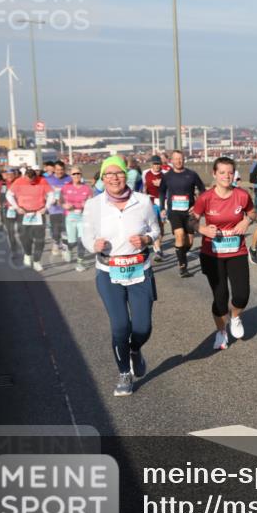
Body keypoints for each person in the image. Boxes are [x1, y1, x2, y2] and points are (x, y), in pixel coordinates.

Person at [81, 156, 160, 396]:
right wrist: (93, 244)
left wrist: (147, 239)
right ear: (102, 178)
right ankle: (124, 373)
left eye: (119, 173)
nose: (114, 178)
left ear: (127, 176)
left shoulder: (144, 201)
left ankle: (134, 349)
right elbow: (86, 235)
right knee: (119, 326)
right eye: (109, 174)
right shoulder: (94, 205)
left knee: (143, 327)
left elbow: (155, 229)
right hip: (109, 272)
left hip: (139, 270)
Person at [192, 157, 256, 351]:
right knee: (220, 298)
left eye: (230, 172)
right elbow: (191, 221)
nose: (227, 176)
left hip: (237, 251)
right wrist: (202, 230)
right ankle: (221, 333)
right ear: (214, 174)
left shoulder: (242, 195)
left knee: (242, 295)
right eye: (222, 172)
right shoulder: (205, 198)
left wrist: (247, 221)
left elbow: (252, 213)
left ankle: (235, 316)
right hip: (212, 254)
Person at [158, 150, 205, 277]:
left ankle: (180, 253)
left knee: (189, 242)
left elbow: (202, 190)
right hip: (174, 212)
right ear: (171, 160)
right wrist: (162, 207)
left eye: (181, 159)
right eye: (176, 159)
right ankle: (182, 267)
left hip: (189, 212)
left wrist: (197, 206)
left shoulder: (192, 175)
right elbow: (162, 192)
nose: (178, 161)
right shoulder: (167, 176)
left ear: (184, 160)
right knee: (180, 235)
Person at [6, 167, 55, 271]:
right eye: (29, 180)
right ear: (25, 176)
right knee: (25, 238)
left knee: (40, 240)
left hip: (38, 213)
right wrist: (16, 207)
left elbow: (51, 194)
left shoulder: (42, 180)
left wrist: (46, 207)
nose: (31, 182)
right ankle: (27, 254)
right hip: (24, 213)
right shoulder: (19, 181)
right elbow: (9, 195)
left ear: (35, 177)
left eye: (33, 180)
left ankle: (37, 261)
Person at [60, 167, 95, 271]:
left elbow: (91, 203)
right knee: (72, 241)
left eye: (78, 173)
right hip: (70, 215)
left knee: (81, 240)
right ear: (70, 176)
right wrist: (64, 205)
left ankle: (80, 262)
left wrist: (87, 205)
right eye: (74, 174)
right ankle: (67, 246)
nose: (76, 176)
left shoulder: (87, 188)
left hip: (83, 217)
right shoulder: (66, 187)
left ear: (81, 174)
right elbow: (60, 201)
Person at [143, 155, 170, 261]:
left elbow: (170, 188)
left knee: (161, 226)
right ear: (151, 165)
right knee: (155, 225)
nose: (157, 166)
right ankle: (158, 250)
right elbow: (143, 187)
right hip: (151, 203)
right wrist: (145, 195)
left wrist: (162, 185)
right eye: (155, 164)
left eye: (158, 164)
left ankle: (159, 245)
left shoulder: (165, 174)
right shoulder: (146, 173)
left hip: (163, 203)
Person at [44, 161, 72, 254]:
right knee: (56, 230)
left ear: (64, 169)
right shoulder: (48, 180)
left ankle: (65, 248)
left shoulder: (69, 179)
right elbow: (43, 193)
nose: (59, 172)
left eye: (61, 170)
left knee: (66, 230)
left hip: (66, 209)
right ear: (54, 169)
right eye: (57, 170)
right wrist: (48, 200)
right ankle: (56, 242)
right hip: (54, 209)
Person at [0, 169, 22, 257]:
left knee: (21, 229)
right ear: (6, 175)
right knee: (10, 231)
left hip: (19, 209)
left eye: (11, 175)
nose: (9, 176)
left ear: (15, 175)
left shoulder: (19, 182)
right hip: (7, 209)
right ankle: (13, 250)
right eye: (8, 175)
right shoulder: (2, 183)